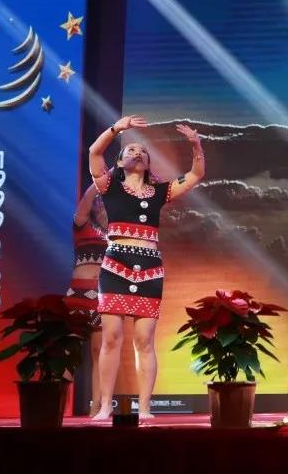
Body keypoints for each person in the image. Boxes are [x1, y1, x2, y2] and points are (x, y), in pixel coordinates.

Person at [89, 115, 204, 420]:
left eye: (143, 151)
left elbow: (195, 175)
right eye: (130, 150)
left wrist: (196, 145)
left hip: (150, 270)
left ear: (148, 163)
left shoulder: (160, 192)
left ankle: (145, 408)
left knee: (144, 340)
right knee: (111, 337)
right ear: (119, 161)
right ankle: (105, 406)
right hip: (115, 266)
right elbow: (94, 152)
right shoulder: (109, 186)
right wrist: (117, 128)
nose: (137, 152)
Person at [65, 183, 108, 416]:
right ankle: (57, 403)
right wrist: (100, 181)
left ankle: (97, 406)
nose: (101, 204)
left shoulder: (119, 233)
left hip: (103, 296)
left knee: (99, 351)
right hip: (78, 295)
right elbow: (86, 200)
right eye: (99, 201)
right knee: (69, 349)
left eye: (105, 201)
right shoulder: (82, 225)